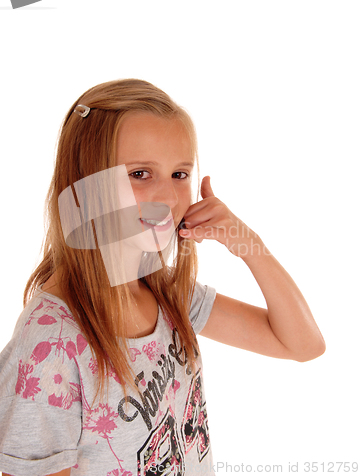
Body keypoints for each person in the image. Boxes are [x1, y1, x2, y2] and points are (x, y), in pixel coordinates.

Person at [0, 79, 325, 476]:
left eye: (179, 174)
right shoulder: (52, 342)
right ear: (84, 183)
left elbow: (303, 344)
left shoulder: (167, 293)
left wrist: (247, 244)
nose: (169, 198)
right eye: (140, 173)